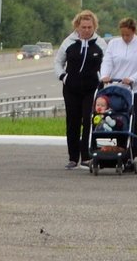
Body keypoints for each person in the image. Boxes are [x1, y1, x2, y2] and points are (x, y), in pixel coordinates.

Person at [54, 9, 104, 169]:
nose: (87, 30)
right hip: (71, 88)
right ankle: (73, 157)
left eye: (90, 27)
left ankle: (86, 156)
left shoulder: (100, 44)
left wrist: (102, 79)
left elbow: (108, 63)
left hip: (91, 88)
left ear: (94, 27)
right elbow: (58, 62)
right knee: (72, 121)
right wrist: (63, 77)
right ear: (77, 26)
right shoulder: (68, 42)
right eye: (83, 27)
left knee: (89, 121)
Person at [98, 15, 137, 164]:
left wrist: (133, 78)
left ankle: (131, 151)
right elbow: (107, 61)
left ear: (134, 32)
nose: (125, 38)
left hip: (136, 88)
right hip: (117, 87)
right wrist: (105, 75)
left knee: (132, 119)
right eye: (122, 35)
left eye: (128, 35)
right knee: (115, 119)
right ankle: (114, 149)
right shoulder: (114, 44)